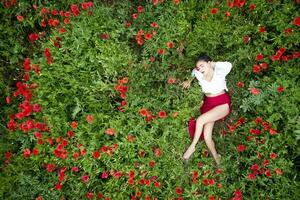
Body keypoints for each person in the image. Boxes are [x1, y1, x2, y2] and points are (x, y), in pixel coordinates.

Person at [180, 54, 232, 165]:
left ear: (209, 63)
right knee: (207, 137)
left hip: (222, 103)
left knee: (200, 121)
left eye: (202, 65)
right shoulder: (199, 74)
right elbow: (194, 72)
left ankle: (192, 147)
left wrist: (213, 64)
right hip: (208, 104)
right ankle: (218, 161)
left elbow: (229, 65)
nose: (200, 69)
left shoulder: (219, 72)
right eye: (199, 67)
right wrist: (189, 80)